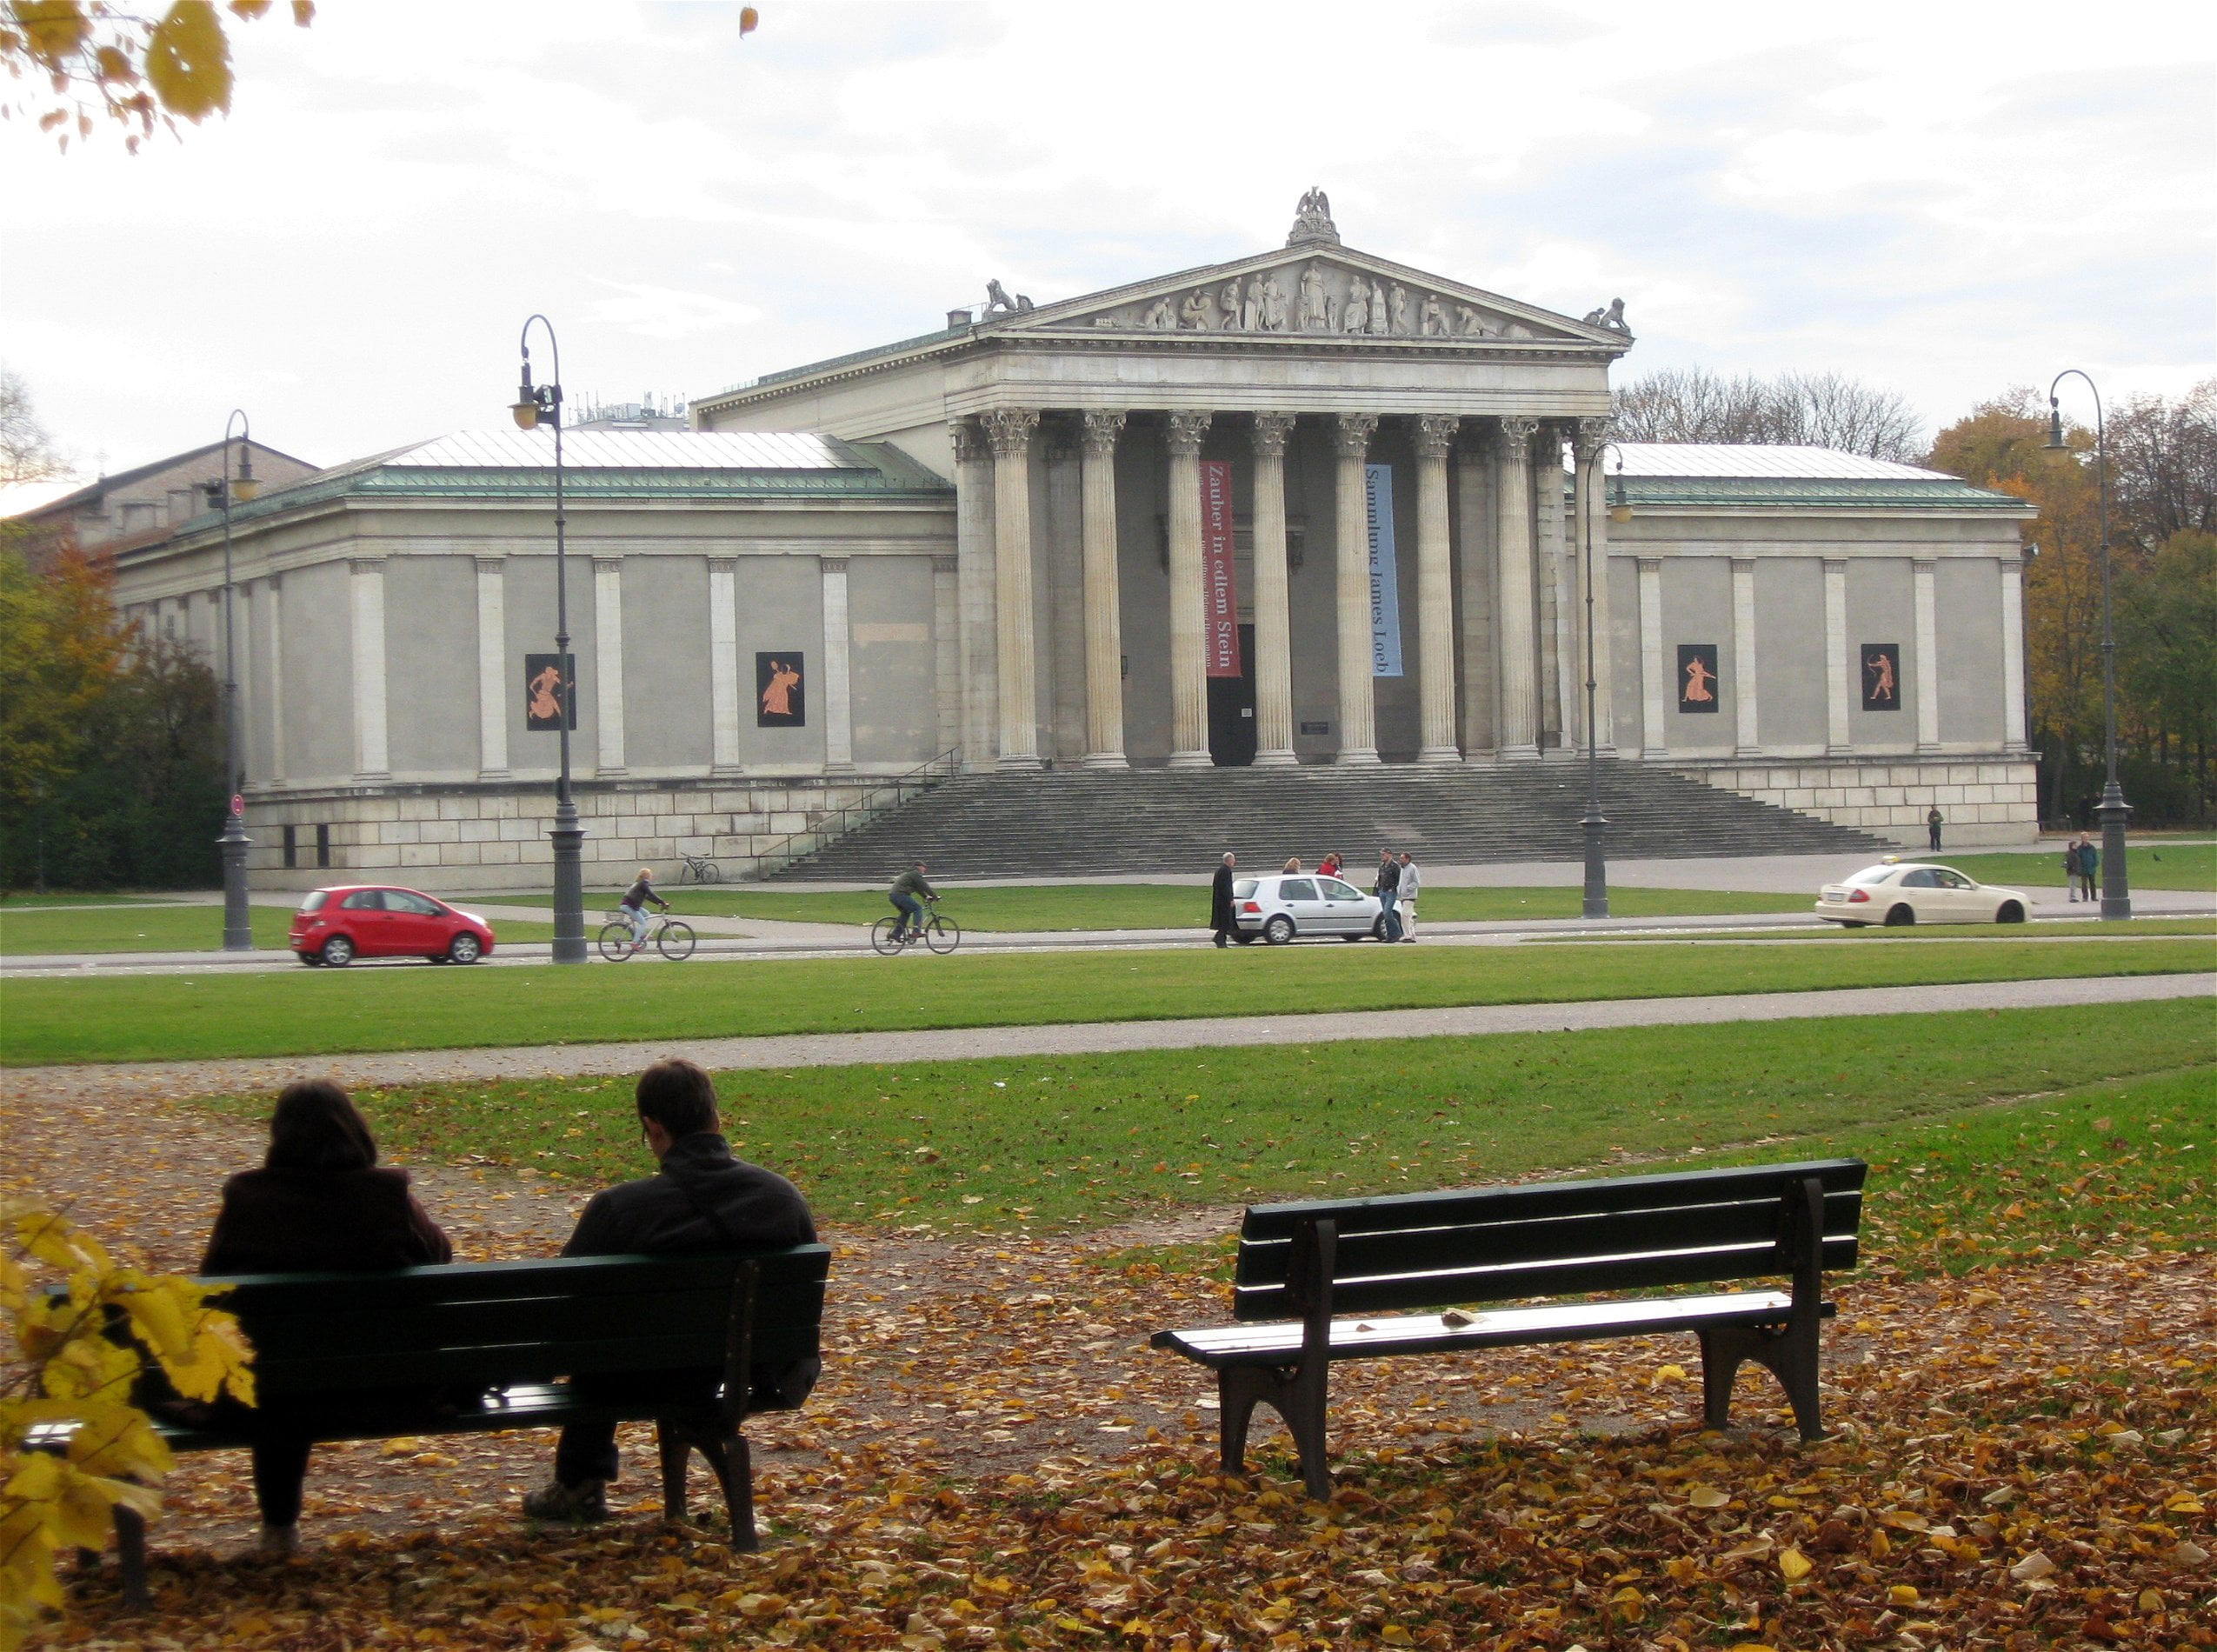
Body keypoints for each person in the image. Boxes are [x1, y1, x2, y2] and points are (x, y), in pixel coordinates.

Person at [523, 1058, 818, 1522]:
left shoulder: (619, 1209)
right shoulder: (780, 1198)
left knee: (601, 1346)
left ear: (653, 1127)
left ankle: (579, 1482)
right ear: (715, 1119)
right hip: (749, 1369)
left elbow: (565, 1314)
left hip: (639, 1373)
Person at [200, 1081, 454, 1558]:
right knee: (290, 1368)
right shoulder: (386, 1196)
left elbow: (211, 1290)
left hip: (272, 1395)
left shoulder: (249, 1199)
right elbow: (440, 1257)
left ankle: (279, 1527)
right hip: (392, 1388)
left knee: (276, 1368)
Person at [620, 867, 668, 951]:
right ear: (647, 876)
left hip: (630, 905)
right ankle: (634, 943)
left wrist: (659, 903)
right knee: (642, 923)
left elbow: (648, 897)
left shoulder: (639, 883)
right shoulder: (643, 883)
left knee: (646, 914)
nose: (651, 876)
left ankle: (641, 934)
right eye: (650, 875)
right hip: (629, 906)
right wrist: (663, 902)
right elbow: (651, 894)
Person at [889, 862, 936, 942]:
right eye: (924, 867)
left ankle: (895, 934)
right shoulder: (915, 874)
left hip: (893, 896)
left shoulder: (910, 873)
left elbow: (918, 888)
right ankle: (916, 931)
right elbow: (924, 886)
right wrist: (935, 896)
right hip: (900, 895)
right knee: (918, 909)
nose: (925, 869)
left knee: (906, 913)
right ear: (919, 867)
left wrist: (925, 896)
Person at [1209, 852, 1238, 948]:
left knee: (1223, 921)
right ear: (1229, 860)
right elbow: (1227, 887)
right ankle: (1220, 940)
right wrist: (1230, 899)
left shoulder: (1219, 870)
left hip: (1219, 900)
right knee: (1225, 922)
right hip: (1224, 901)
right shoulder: (1226, 871)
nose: (1234, 862)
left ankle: (1219, 938)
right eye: (1233, 860)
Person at [1375, 849, 1401, 943]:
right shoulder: (1382, 866)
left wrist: (1393, 888)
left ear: (1389, 855)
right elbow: (1379, 878)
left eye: (1383, 854)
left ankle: (1397, 933)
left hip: (1390, 892)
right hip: (1382, 891)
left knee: (1387, 912)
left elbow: (1399, 879)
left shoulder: (1395, 866)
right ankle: (1390, 936)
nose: (1382, 856)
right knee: (1385, 915)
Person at [1395, 852, 1421, 942]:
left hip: (1409, 896)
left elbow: (1416, 882)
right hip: (1403, 896)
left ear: (1407, 859)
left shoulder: (1412, 868)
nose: (1400, 860)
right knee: (1408, 916)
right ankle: (1411, 935)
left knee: (1404, 915)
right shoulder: (1403, 869)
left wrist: (1407, 889)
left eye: (1402, 858)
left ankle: (1408, 935)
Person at [2075, 834, 2099, 903]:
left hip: (2091, 868)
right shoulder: (2079, 848)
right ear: (2082, 839)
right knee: (2084, 884)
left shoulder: (2092, 847)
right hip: (2083, 869)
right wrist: (2080, 867)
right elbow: (2078, 858)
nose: (2086, 839)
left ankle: (2093, 897)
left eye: (2087, 838)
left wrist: (2095, 864)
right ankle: (2085, 897)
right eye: (2084, 838)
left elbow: (2095, 857)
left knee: (2093, 883)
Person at [2062, 836, 2083, 902]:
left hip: (2075, 871)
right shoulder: (2071, 854)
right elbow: (2070, 863)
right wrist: (2074, 869)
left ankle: (2073, 896)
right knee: (2073, 884)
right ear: (2071, 846)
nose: (2076, 846)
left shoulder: (2075, 853)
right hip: (2072, 871)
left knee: (2074, 884)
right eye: (2075, 845)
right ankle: (2072, 897)